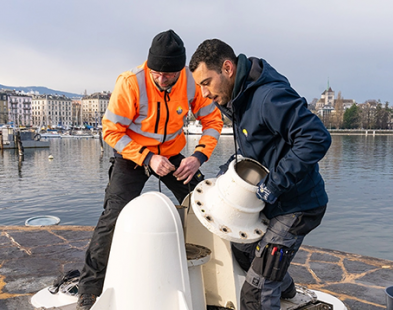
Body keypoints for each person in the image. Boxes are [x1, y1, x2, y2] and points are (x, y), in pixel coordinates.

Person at [76, 30, 223, 310]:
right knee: (112, 217)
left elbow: (213, 121)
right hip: (132, 157)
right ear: (148, 64)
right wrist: (146, 158)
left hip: (173, 157)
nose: (161, 79)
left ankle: (225, 276)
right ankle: (89, 289)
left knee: (208, 205)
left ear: (180, 69)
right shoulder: (130, 82)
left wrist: (198, 157)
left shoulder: (191, 83)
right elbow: (111, 131)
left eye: (168, 75)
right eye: (156, 72)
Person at [189, 39, 331, 310]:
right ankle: (286, 291)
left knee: (255, 293)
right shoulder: (238, 98)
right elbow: (260, 148)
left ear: (228, 68)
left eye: (206, 82)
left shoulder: (267, 97)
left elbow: (316, 137)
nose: (204, 93)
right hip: (273, 201)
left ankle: (271, 289)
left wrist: (275, 184)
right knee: (242, 248)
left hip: (298, 206)